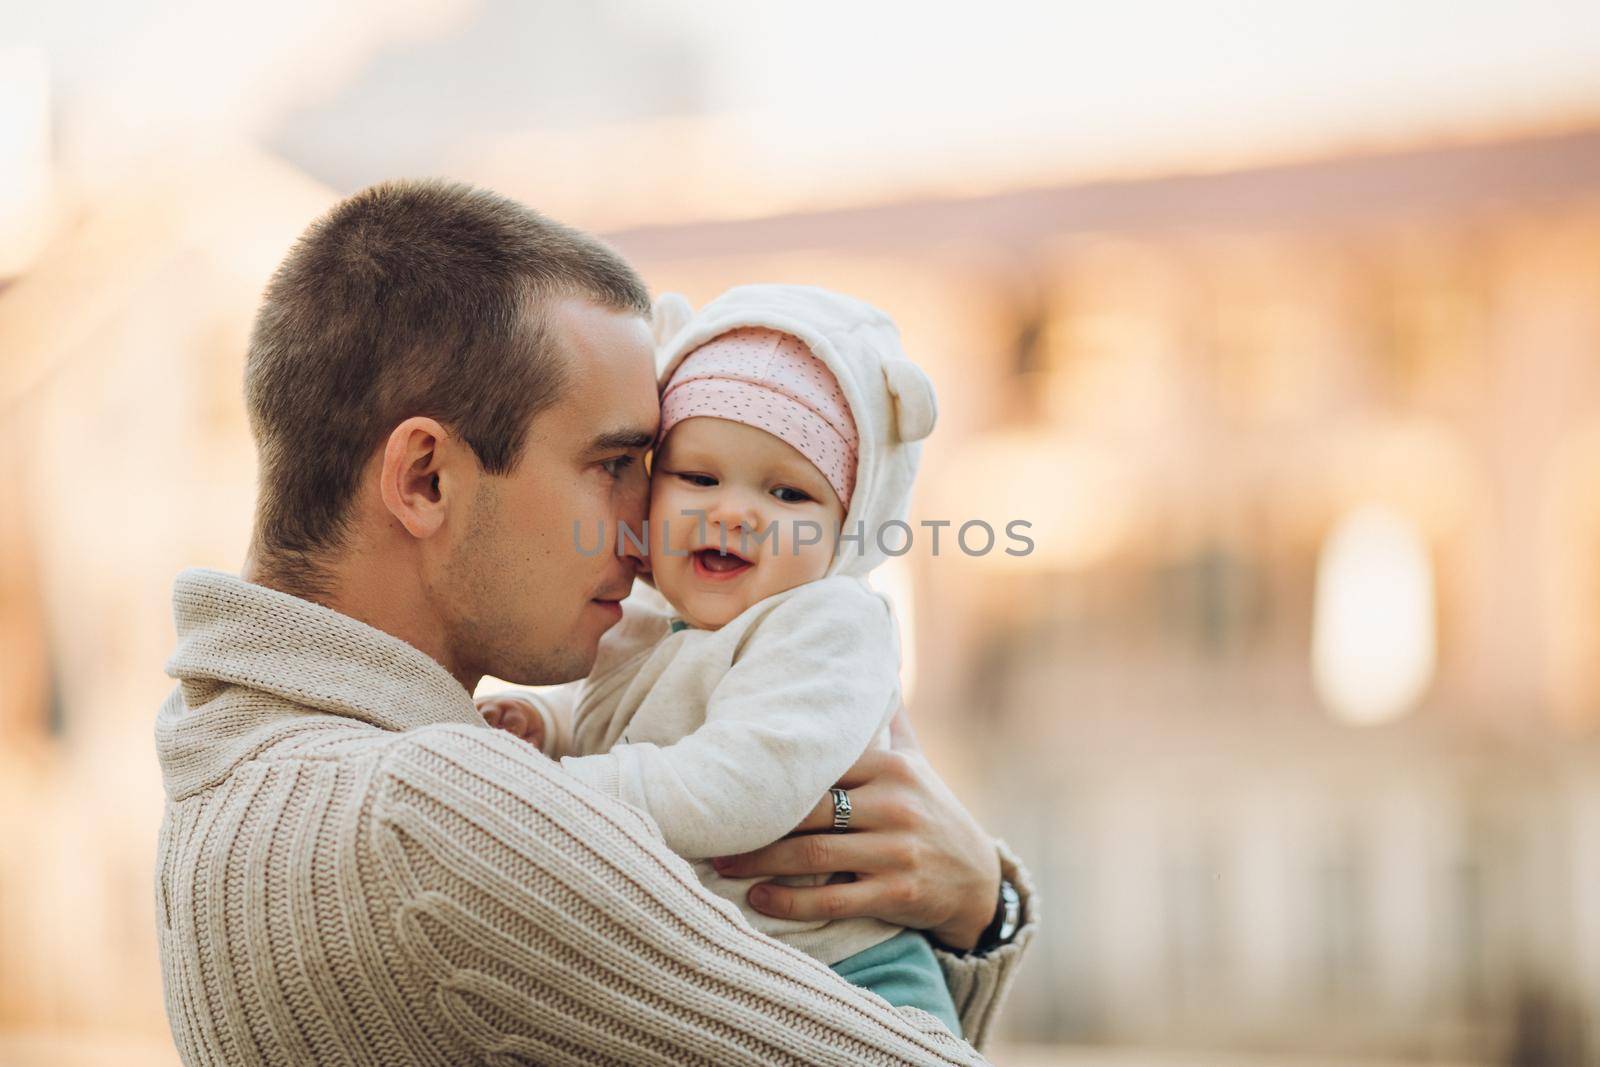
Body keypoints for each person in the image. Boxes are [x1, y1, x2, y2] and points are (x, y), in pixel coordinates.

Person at [155, 179, 1036, 1066]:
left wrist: (939, 888)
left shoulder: (235, 762)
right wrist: (983, 903)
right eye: (615, 462)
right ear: (426, 478)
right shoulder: (427, 817)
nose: (644, 521)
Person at [477, 285, 962, 1032]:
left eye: (789, 492)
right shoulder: (652, 619)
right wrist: (550, 721)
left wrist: (557, 788)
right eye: (699, 478)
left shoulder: (826, 622)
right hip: (742, 973)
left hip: (850, 977)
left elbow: (740, 782)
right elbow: (636, 723)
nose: (734, 511)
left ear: (848, 528)